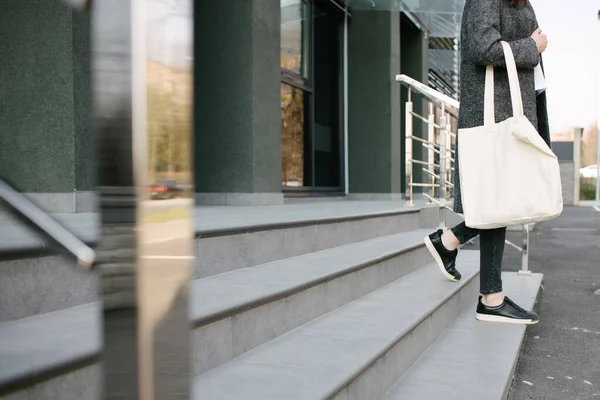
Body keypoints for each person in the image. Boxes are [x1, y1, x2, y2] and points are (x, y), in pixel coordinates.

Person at [424, 0, 550, 325]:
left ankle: (450, 242)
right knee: (498, 196)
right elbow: (484, 47)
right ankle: (490, 297)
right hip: (491, 114)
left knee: (501, 198)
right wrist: (532, 47)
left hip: (510, 112)